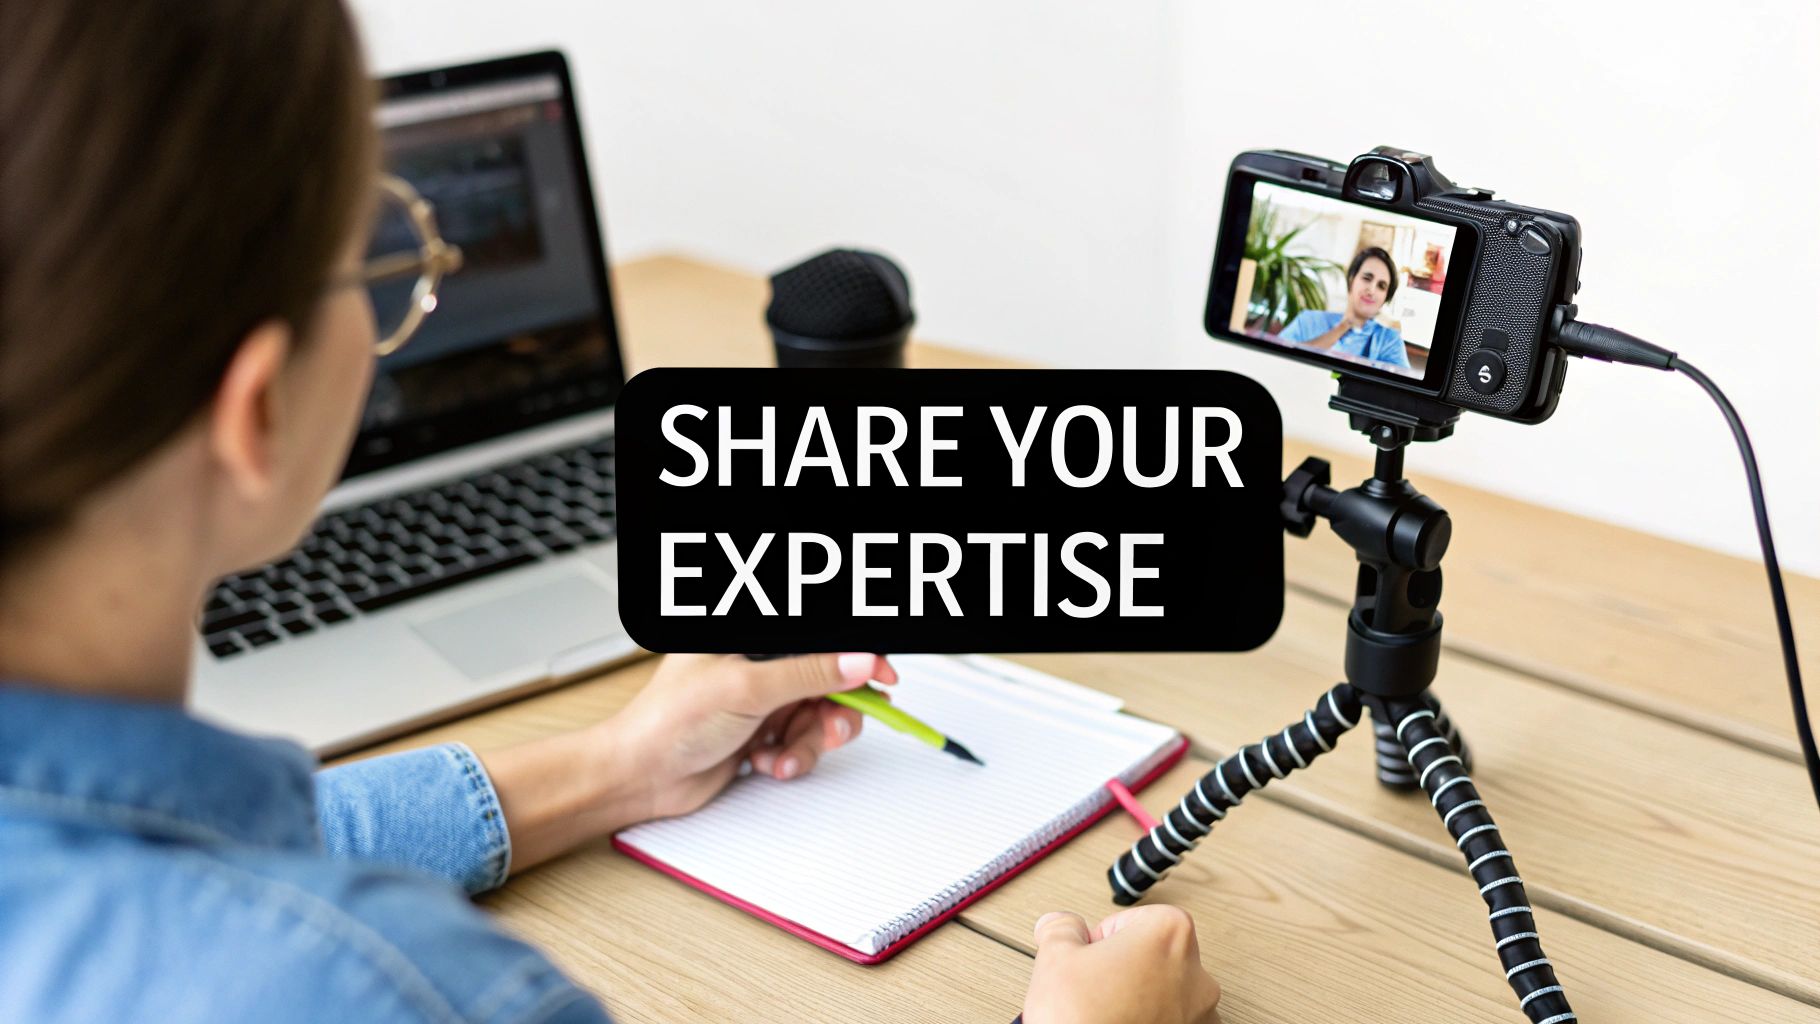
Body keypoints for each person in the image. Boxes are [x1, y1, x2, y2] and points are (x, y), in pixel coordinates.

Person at [0, 2, 1223, 1022]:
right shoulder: (397, 992)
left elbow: (207, 835)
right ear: (256, 415)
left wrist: (613, 769)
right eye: (379, 275)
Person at [1277, 246, 1411, 370]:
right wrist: (1342, 328)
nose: (1371, 290)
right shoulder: (1307, 320)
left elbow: (1402, 390)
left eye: (1381, 286)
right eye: (1366, 278)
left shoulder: (1389, 340)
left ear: (1385, 298)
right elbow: (1275, 362)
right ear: (1352, 280)